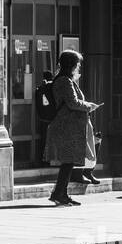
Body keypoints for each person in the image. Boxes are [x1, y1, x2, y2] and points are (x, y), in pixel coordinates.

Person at [43, 50, 101, 206]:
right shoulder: (64, 81)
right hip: (66, 127)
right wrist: (89, 105)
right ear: (72, 64)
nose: (79, 66)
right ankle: (59, 194)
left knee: (68, 162)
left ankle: (60, 194)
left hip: (69, 127)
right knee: (68, 162)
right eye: (78, 63)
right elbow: (73, 103)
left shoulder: (67, 80)